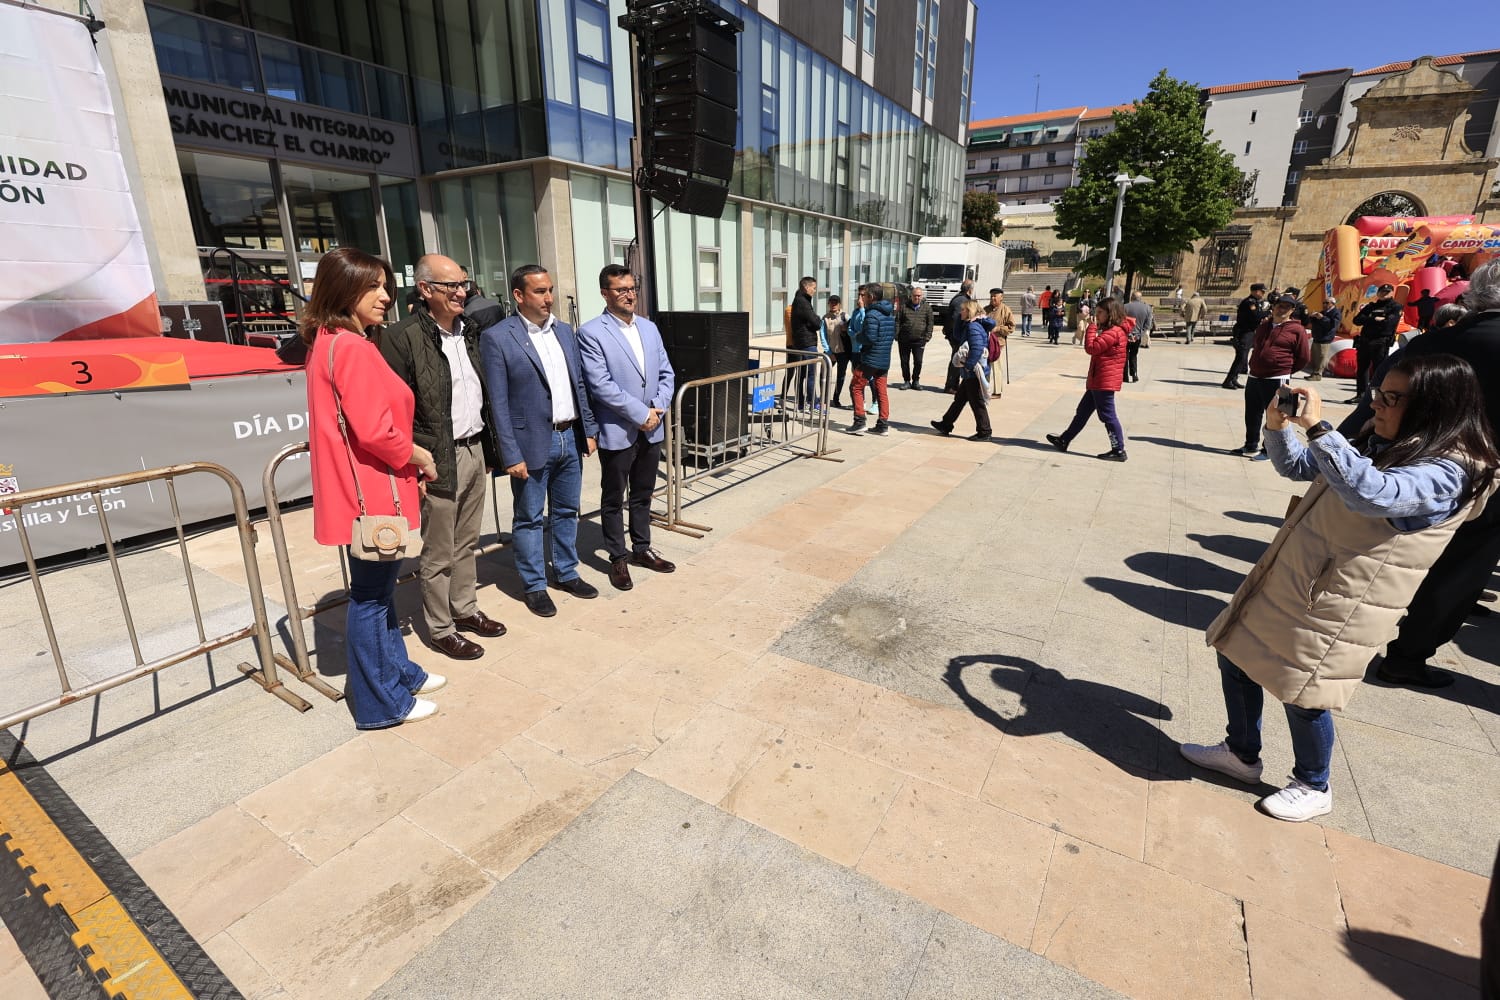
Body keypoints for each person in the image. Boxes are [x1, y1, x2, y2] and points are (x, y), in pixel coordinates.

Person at [1181, 355, 1498, 821]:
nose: (1379, 406)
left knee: (1305, 689)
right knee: (1237, 651)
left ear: (1435, 405)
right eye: (1378, 394)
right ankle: (1241, 753)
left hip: (1344, 597)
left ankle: (1314, 783)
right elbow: (1299, 467)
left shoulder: (1453, 469)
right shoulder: (1385, 436)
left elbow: (1373, 494)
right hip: (1303, 573)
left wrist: (1322, 429)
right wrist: (1279, 426)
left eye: (1392, 398)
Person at [301, 247, 443, 728]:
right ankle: (382, 702)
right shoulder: (353, 348)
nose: (385, 296)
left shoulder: (329, 341)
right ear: (345, 291)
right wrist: (418, 455)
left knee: (377, 594)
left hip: (362, 488)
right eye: (373, 287)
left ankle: (398, 673)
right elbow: (374, 431)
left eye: (385, 285)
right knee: (371, 597)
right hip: (373, 491)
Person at [1374, 261, 1500, 687]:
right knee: (1460, 569)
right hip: (1487, 479)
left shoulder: (1434, 342)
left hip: (1410, 464)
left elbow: (1380, 395)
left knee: (1400, 552)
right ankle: (1406, 657)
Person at [378, 254, 507, 662]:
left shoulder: (469, 332)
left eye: (464, 283)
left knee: (466, 541)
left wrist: (489, 449)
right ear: (425, 289)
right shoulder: (401, 337)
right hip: (435, 456)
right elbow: (395, 408)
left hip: (473, 448)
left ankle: (464, 609)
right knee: (437, 550)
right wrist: (414, 462)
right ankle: (440, 627)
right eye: (451, 285)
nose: (461, 292)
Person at [480, 265, 600, 619]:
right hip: (531, 443)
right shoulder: (499, 337)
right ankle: (534, 585)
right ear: (519, 295)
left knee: (566, 511)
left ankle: (566, 572)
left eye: (550, 290)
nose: (548, 298)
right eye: (539, 291)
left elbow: (579, 385)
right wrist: (509, 453)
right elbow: (497, 402)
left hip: (569, 436)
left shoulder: (564, 331)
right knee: (530, 517)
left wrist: (589, 429)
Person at [577, 264, 677, 593]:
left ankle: (642, 548)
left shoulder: (649, 328)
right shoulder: (591, 333)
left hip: (652, 427)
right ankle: (617, 556)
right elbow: (601, 385)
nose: (629, 294)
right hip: (617, 430)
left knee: (644, 493)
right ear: (605, 293)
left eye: (632, 288)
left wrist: (658, 408)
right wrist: (640, 413)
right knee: (613, 496)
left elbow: (666, 372)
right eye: (621, 289)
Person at [1045, 296, 1132, 461]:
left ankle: (1119, 449)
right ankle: (1064, 439)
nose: (1097, 315)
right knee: (1082, 412)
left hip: (1104, 381)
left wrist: (1091, 327)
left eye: (1100, 313)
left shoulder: (1114, 332)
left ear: (1110, 314)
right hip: (1098, 379)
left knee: (1108, 416)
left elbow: (1091, 348)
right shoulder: (1112, 330)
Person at [1233, 295, 1309, 458]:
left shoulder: (1297, 330)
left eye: (1287, 307)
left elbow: (1303, 357)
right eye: (1280, 306)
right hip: (1254, 376)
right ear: (1273, 307)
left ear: (1292, 311)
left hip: (1277, 378)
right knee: (1252, 413)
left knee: (1276, 415)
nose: (1282, 309)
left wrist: (1284, 369)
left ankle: (1269, 449)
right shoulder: (1264, 326)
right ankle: (1250, 445)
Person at [930, 299, 993, 441]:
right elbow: (957, 336)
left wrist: (969, 365)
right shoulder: (970, 325)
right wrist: (959, 319)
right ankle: (946, 424)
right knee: (959, 399)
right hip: (971, 371)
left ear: (970, 311)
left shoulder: (973, 327)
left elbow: (976, 348)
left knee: (976, 402)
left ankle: (984, 431)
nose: (960, 312)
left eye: (963, 310)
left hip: (974, 371)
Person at [849, 283, 895, 436]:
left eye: (865, 295)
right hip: (883, 359)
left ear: (872, 297)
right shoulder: (889, 313)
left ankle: (859, 420)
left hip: (871, 358)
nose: (862, 298)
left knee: (855, 386)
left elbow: (870, 337)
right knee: (881, 390)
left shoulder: (872, 314)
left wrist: (858, 336)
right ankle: (883, 424)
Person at [1347, 283, 1401, 403]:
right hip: (1365, 341)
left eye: (1387, 292)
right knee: (1362, 369)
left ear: (1392, 293)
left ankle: (1379, 396)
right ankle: (1361, 395)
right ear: (1378, 293)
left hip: (1380, 342)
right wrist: (1373, 318)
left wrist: (1370, 319)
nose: (1384, 294)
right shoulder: (1370, 306)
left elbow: (1388, 323)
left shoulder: (1395, 307)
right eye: (1382, 292)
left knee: (1379, 370)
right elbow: (1357, 320)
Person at [1222, 283, 1269, 390]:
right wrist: (1268, 312)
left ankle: (1234, 379)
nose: (1263, 293)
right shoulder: (1249, 302)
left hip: (1249, 332)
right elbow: (1255, 316)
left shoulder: (1255, 302)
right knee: (1240, 357)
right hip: (1243, 332)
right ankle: (1228, 381)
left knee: (1242, 357)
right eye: (1262, 291)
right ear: (1255, 291)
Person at [788, 276, 823, 409]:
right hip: (807, 342)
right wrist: (816, 320)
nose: (814, 290)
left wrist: (814, 320)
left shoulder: (799, 300)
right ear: (806, 287)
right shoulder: (803, 302)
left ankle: (802, 403)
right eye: (813, 288)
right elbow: (816, 322)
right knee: (811, 374)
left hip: (800, 341)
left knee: (802, 374)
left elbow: (812, 321)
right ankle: (813, 402)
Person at [896, 285, 935, 389]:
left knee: (918, 361)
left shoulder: (927, 308)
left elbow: (930, 323)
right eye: (915, 296)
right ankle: (906, 381)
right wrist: (896, 335)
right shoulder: (904, 306)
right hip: (904, 340)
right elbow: (898, 321)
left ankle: (916, 380)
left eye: (919, 296)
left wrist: (927, 337)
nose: (916, 298)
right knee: (904, 361)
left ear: (921, 296)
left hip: (919, 340)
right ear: (911, 296)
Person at [944, 279, 974, 392]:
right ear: (970, 290)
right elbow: (957, 320)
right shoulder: (962, 300)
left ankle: (953, 385)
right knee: (956, 359)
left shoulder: (960, 298)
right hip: (957, 337)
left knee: (957, 358)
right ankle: (951, 386)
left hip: (954, 335)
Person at [824, 294, 851, 408]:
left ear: (839, 304)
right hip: (830, 352)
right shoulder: (825, 318)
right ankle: (825, 397)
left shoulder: (845, 316)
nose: (833, 305)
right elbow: (823, 336)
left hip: (843, 352)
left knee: (840, 376)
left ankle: (836, 398)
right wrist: (829, 352)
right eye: (831, 302)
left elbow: (851, 330)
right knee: (824, 374)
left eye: (835, 303)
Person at [1304, 297, 1341, 381]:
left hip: (1325, 338)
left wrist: (1322, 318)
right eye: (1324, 303)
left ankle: (1318, 374)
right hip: (1317, 337)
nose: (1324, 305)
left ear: (1332, 304)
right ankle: (1314, 373)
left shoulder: (1336, 313)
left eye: (1327, 303)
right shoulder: (1323, 312)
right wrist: (1312, 316)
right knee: (1315, 357)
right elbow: (1315, 322)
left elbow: (1333, 325)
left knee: (1321, 357)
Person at [1123, 291, 1153, 383]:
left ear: (1132, 297)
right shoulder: (1147, 308)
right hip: (1137, 336)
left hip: (1126, 335)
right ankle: (1134, 374)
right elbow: (1148, 325)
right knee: (1133, 355)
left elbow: (1120, 321)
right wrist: (1140, 333)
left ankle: (1125, 376)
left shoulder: (1125, 307)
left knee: (1125, 355)